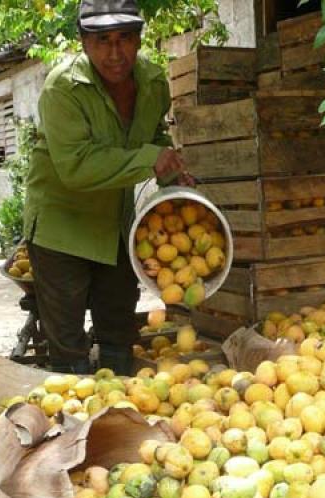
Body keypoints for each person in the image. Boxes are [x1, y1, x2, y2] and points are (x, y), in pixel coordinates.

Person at [23, 0, 192, 375]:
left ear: (139, 39)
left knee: (118, 329)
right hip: (61, 226)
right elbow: (77, 167)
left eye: (125, 39)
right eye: (102, 41)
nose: (115, 53)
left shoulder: (151, 81)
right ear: (83, 42)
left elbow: (153, 134)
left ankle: (120, 416)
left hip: (115, 224)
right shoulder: (63, 89)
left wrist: (170, 169)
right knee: (68, 345)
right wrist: (150, 158)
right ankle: (75, 421)